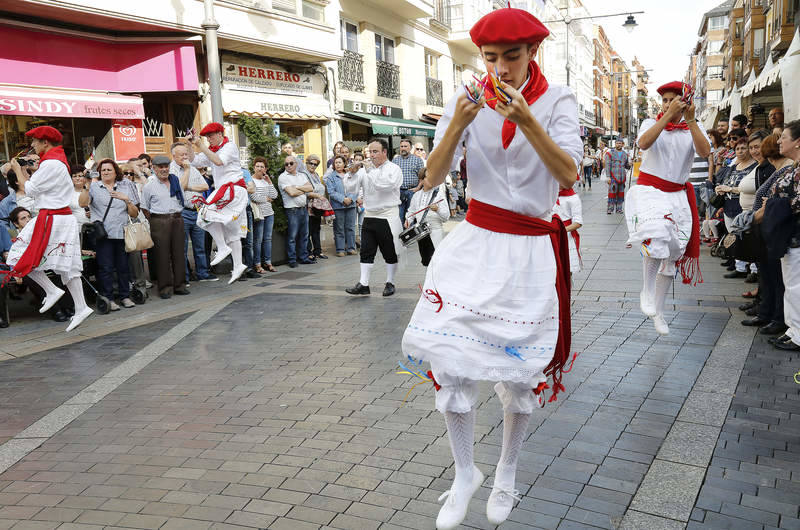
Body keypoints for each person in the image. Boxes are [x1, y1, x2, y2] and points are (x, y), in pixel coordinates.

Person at [401, 8, 582, 528]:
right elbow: (429, 179)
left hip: (528, 250)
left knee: (519, 374)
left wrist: (528, 120)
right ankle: (464, 472)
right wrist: (458, 120)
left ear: (532, 54)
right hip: (475, 243)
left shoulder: (558, 100)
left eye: (511, 56)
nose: (499, 68)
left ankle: (506, 471)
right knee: (451, 361)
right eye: (490, 58)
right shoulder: (468, 101)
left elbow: (568, 173)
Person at [626, 81, 711, 335]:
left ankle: (659, 311)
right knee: (657, 236)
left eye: (673, 99)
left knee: (673, 254)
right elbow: (643, 143)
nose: (667, 104)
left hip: (677, 196)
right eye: (664, 100)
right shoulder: (651, 123)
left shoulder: (693, 128)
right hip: (651, 191)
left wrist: (691, 120)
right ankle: (647, 289)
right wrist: (666, 117)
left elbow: (705, 151)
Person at [3, 127, 93, 331]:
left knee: (17, 256)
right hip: (57, 217)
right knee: (67, 265)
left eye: (35, 141)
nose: (32, 145)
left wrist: (18, 170)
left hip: (52, 218)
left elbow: (31, 190)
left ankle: (53, 291)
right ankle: (79, 306)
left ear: (45, 142)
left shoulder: (51, 163)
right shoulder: (56, 161)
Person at [756, 121, 800, 351]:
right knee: (791, 284)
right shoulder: (795, 167)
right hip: (787, 236)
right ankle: (793, 330)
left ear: (797, 141)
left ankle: (798, 334)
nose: (779, 141)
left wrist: (773, 204)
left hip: (795, 235)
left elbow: (795, 202)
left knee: (795, 286)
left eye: (784, 137)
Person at [187, 122, 249, 284]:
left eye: (211, 136)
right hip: (230, 192)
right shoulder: (213, 150)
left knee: (204, 215)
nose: (208, 139)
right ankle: (237, 265)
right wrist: (189, 144)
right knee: (232, 232)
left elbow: (219, 161)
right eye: (206, 137)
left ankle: (222, 247)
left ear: (221, 134)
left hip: (231, 191)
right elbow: (194, 161)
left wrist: (201, 145)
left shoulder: (229, 146)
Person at [79, 158, 140, 311]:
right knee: (105, 268)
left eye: (109, 170)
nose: (105, 172)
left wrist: (127, 200)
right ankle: (109, 298)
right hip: (103, 234)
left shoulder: (125, 186)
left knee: (123, 267)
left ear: (115, 172)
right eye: (103, 170)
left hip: (122, 232)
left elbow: (134, 214)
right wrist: (86, 186)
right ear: (99, 173)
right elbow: (82, 203)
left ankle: (125, 296)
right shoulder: (94, 187)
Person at [346, 138, 403, 297]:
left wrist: (370, 170)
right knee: (366, 251)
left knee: (390, 251)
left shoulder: (394, 169)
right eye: (370, 152)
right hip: (370, 215)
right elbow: (351, 188)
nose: (371, 155)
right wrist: (351, 174)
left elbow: (385, 186)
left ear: (384, 152)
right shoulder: (365, 170)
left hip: (387, 216)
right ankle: (364, 284)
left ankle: (390, 282)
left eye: (375, 151)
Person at [141, 155, 190, 299]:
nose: (164, 169)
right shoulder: (149, 186)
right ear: (154, 169)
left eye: (166, 166)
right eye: (160, 167)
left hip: (177, 218)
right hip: (159, 220)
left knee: (179, 254)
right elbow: (145, 207)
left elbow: (182, 199)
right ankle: (165, 288)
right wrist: (155, 220)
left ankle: (180, 285)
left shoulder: (175, 180)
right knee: (162, 256)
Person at [170, 142, 216, 284]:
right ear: (174, 156)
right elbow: (179, 187)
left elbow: (204, 186)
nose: (185, 157)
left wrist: (190, 186)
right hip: (182, 212)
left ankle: (202, 273)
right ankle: (185, 277)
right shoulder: (172, 170)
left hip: (197, 211)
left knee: (200, 245)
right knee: (182, 248)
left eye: (186, 154)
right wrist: (188, 170)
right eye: (182, 155)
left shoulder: (194, 168)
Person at [716, 137, 758, 279]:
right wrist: (721, 189)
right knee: (734, 236)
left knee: (749, 237)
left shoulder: (755, 166)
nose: (740, 151)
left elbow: (750, 187)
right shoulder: (733, 167)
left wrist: (731, 189)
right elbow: (725, 181)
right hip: (729, 205)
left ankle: (753, 269)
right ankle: (739, 267)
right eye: (737, 149)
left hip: (744, 205)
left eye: (743, 148)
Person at [406, 167, 449, 266]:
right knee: (425, 260)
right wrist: (408, 220)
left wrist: (437, 210)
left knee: (436, 260)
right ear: (421, 180)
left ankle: (436, 281)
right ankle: (428, 281)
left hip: (435, 231)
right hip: (421, 232)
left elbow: (446, 217)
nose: (432, 180)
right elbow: (411, 211)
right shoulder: (416, 195)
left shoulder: (439, 195)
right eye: (428, 178)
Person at [278, 155, 314, 268]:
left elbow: (311, 188)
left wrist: (297, 187)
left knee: (304, 235)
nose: (288, 166)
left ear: (296, 164)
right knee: (292, 236)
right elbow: (291, 193)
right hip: (292, 210)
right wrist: (302, 189)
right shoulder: (283, 177)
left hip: (303, 208)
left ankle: (303, 257)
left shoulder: (302, 175)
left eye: (291, 163)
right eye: (286, 164)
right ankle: (292, 259)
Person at [326, 155, 359, 257]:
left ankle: (351, 248)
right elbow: (331, 192)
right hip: (338, 206)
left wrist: (350, 199)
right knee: (339, 228)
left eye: (340, 162)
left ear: (344, 163)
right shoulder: (331, 177)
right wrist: (343, 199)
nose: (338, 164)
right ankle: (340, 249)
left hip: (351, 205)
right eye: (336, 163)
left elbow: (356, 188)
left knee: (350, 227)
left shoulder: (351, 175)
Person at [249, 156, 278, 273]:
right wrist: (266, 198)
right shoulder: (251, 181)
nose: (260, 168)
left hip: (269, 213)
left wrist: (270, 183)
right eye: (257, 166)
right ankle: (257, 264)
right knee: (258, 240)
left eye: (262, 166)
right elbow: (253, 196)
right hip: (259, 214)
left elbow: (275, 195)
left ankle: (268, 262)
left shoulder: (265, 181)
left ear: (265, 169)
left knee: (268, 239)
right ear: (254, 167)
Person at [552, 185, 583, 274]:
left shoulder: (573, 198)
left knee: (567, 269)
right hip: (551, 235)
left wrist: (562, 230)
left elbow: (578, 222)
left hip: (566, 238)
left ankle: (567, 287)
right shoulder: (551, 195)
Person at [393, 138, 425, 221]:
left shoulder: (417, 160)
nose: (403, 148)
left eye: (405, 146)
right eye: (401, 146)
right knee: (399, 217)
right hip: (399, 192)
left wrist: (418, 188)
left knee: (411, 217)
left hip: (412, 192)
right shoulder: (395, 161)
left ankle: (411, 234)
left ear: (410, 148)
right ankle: (400, 233)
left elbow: (423, 176)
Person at [305, 154, 328, 261]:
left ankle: (318, 251)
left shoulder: (316, 175)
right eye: (311, 163)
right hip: (308, 206)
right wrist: (317, 194)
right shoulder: (304, 174)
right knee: (308, 230)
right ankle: (308, 252)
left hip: (317, 206)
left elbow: (318, 189)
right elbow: (307, 192)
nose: (313, 166)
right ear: (307, 163)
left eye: (315, 164)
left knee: (317, 229)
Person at [604, 139, 629, 214]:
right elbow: (607, 165)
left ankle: (619, 209)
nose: (619, 144)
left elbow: (626, 166)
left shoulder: (625, 154)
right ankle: (610, 209)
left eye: (620, 143)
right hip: (613, 176)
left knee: (621, 193)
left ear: (623, 144)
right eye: (617, 143)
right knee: (612, 193)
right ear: (615, 144)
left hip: (622, 177)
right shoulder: (610, 153)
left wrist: (630, 164)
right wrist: (608, 177)